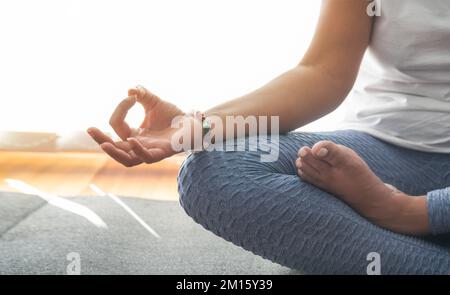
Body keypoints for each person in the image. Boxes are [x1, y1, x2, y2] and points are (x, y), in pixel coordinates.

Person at [87, 0, 450, 274]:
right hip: (388, 149)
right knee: (216, 173)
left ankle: (412, 226)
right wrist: (197, 126)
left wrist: (406, 210)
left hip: (400, 190)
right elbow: (322, 73)